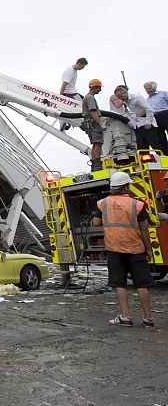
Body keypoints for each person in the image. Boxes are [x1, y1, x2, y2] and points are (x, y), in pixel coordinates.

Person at [91, 171, 154, 328]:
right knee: (142, 284)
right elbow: (145, 229)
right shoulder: (137, 204)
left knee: (120, 284)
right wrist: (148, 249)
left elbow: (96, 223)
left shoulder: (102, 204)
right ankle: (148, 318)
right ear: (127, 186)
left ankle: (125, 317)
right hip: (136, 248)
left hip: (114, 248)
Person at [111, 85, 160, 151]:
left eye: (121, 96)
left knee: (155, 145)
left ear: (125, 92)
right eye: (119, 97)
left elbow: (148, 109)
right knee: (142, 147)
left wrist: (148, 122)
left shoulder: (136, 97)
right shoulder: (127, 101)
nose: (121, 99)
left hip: (145, 124)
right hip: (137, 125)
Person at [58, 57, 88, 131]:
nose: (83, 68)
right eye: (83, 66)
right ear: (79, 63)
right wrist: (60, 96)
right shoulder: (70, 71)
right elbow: (64, 83)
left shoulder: (73, 69)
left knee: (86, 101)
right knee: (82, 105)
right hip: (69, 93)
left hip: (73, 92)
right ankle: (78, 121)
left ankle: (73, 120)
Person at [82, 79, 104, 172]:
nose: (100, 90)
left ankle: (94, 165)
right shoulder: (90, 98)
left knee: (95, 144)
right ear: (95, 87)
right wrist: (100, 123)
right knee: (98, 143)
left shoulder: (87, 97)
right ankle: (97, 164)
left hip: (89, 123)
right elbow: (93, 111)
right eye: (99, 87)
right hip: (93, 123)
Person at [144, 81, 168, 154]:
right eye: (146, 89)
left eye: (149, 88)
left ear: (154, 87)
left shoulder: (163, 94)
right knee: (160, 137)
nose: (148, 90)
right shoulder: (147, 100)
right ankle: (166, 154)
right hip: (154, 118)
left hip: (165, 114)